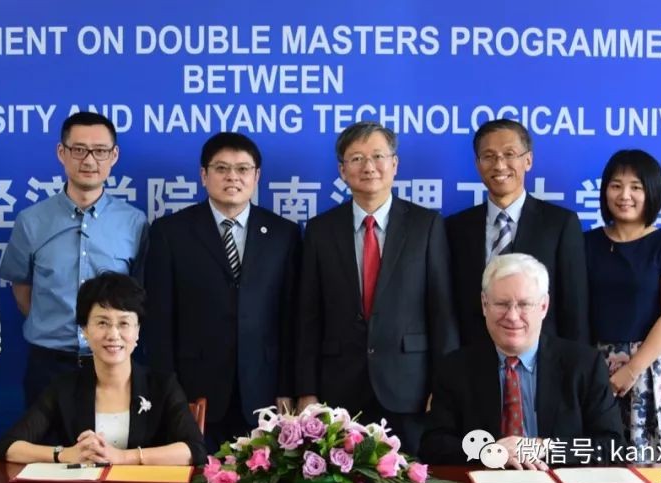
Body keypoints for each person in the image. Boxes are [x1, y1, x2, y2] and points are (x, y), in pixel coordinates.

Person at [295, 121, 459, 455]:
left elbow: (442, 311)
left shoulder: (426, 225)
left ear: (394, 164)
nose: (368, 166)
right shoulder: (320, 230)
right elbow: (308, 316)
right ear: (342, 170)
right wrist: (306, 390)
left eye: (378, 156)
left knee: (410, 477)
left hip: (409, 388)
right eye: (356, 158)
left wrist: (443, 387)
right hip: (339, 389)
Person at [143, 132, 301, 452]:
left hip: (263, 391)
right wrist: (168, 391)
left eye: (243, 169)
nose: (233, 177)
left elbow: (292, 318)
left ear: (256, 176)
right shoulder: (171, 233)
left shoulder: (284, 234)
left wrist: (287, 387)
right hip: (194, 389)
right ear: (204, 175)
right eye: (221, 168)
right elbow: (158, 321)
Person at [0, 111, 148, 409]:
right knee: (43, 438)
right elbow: (22, 287)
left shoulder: (134, 222)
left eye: (100, 151)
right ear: (61, 153)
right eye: (79, 150)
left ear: (114, 155)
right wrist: (51, 324)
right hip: (49, 364)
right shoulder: (31, 221)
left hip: (112, 363)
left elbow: (138, 293)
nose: (89, 161)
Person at [419, 253, 623, 469]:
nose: (512, 316)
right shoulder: (455, 368)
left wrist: (543, 448)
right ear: (484, 304)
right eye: (502, 304)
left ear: (543, 306)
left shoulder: (584, 364)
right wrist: (489, 452)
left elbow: (613, 447)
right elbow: (433, 446)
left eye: (524, 304)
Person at [0, 272, 206, 466]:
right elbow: (8, 447)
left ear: (137, 331)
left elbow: (194, 450)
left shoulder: (162, 386)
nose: (113, 335)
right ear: (85, 330)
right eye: (102, 323)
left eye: (124, 324)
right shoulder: (64, 387)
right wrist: (63, 454)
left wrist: (124, 457)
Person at [585, 149, 661, 453]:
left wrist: (632, 370)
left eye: (636, 187)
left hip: (650, 367)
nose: (624, 195)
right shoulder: (584, 243)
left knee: (654, 465)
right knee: (597, 461)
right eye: (616, 186)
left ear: (652, 193)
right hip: (594, 366)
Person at [446, 119, 589, 346]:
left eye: (509, 154)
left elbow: (574, 307)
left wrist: (572, 362)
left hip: (542, 355)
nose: (499, 165)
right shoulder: (455, 227)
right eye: (489, 156)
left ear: (528, 160)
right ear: (478, 164)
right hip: (473, 357)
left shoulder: (560, 224)